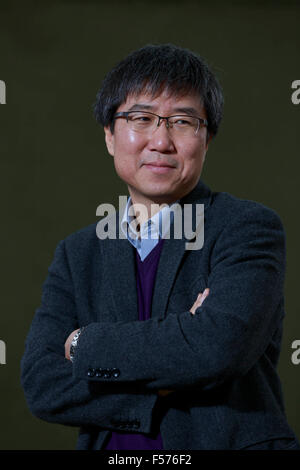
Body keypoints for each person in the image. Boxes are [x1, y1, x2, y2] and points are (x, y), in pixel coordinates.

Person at [21, 44, 300, 450]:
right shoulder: (78, 253)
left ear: (206, 140)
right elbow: (42, 386)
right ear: (110, 137)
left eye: (183, 121)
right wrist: (172, 368)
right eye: (141, 118)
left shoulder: (247, 228)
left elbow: (216, 350)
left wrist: (83, 345)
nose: (161, 140)